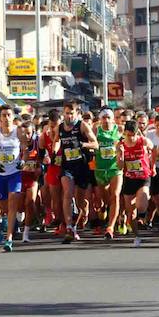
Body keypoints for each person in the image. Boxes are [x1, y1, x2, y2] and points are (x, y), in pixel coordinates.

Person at [0, 105, 26, 252]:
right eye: (4, 115)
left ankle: (9, 238)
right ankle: (8, 222)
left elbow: (25, 148)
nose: (6, 118)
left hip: (14, 173)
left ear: (13, 117)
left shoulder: (18, 131)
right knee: (3, 206)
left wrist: (23, 160)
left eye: (9, 115)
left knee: (13, 200)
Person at [59, 101, 97, 243]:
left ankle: (76, 223)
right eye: (66, 113)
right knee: (68, 193)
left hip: (81, 166)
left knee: (81, 203)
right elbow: (57, 142)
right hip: (67, 166)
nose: (68, 116)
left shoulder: (82, 125)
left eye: (71, 113)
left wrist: (83, 144)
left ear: (77, 114)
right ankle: (68, 227)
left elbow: (96, 144)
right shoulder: (60, 127)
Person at [119, 120, 153, 247]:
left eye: (132, 135)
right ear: (124, 133)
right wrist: (121, 154)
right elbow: (119, 166)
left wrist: (152, 165)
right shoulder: (121, 145)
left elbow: (154, 149)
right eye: (128, 135)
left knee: (142, 200)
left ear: (137, 133)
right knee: (130, 212)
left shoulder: (143, 141)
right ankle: (136, 235)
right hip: (129, 179)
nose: (130, 138)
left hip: (143, 176)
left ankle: (142, 216)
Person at [94, 109, 123, 239]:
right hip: (100, 169)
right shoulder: (95, 130)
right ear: (100, 119)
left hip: (115, 168)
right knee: (104, 199)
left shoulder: (120, 129)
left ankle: (110, 227)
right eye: (103, 118)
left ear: (112, 119)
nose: (106, 120)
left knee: (115, 196)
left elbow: (136, 136)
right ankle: (105, 209)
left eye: (108, 117)